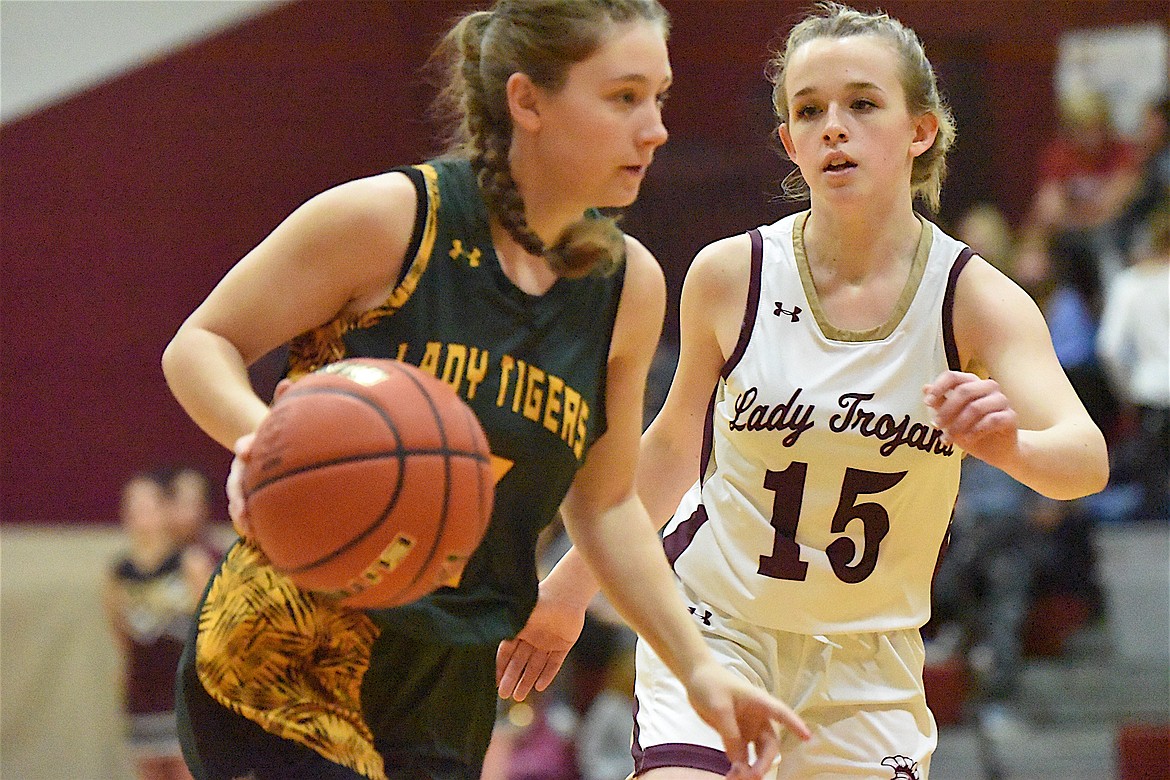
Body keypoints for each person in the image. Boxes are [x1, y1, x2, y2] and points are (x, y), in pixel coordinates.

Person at [160, 2, 807, 779]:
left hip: (449, 685)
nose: (655, 128)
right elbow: (201, 343)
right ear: (527, 101)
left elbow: (603, 507)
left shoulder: (626, 286)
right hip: (283, 662)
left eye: (659, 98)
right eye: (624, 96)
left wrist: (699, 670)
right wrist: (260, 441)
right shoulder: (395, 221)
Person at [496, 3, 1109, 777]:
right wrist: (567, 592)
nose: (833, 127)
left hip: (868, 664)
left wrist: (1009, 445)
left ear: (920, 130)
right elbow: (673, 451)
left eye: (861, 103)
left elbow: (1084, 459)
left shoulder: (974, 299)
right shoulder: (732, 274)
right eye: (809, 110)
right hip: (719, 629)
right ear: (789, 140)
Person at [103, 470, 199, 780]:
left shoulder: (191, 564)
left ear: (165, 510)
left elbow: (208, 634)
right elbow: (121, 637)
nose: (140, 515)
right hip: (143, 694)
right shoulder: (118, 574)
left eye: (148, 505)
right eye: (133, 507)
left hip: (183, 694)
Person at [1097, 203, 1170, 523]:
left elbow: (1109, 348)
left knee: (1153, 495)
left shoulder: (1130, 283)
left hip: (1149, 391)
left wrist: (1125, 393)